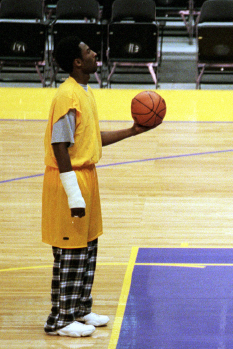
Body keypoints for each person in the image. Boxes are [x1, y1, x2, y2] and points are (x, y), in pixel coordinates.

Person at [42, 36, 155, 337]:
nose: (94, 53)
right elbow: (60, 145)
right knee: (70, 251)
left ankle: (79, 309)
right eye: (88, 51)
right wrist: (73, 192)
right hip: (70, 179)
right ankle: (60, 319)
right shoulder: (67, 96)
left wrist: (133, 131)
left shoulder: (85, 92)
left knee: (88, 248)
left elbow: (91, 139)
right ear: (77, 62)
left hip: (86, 176)